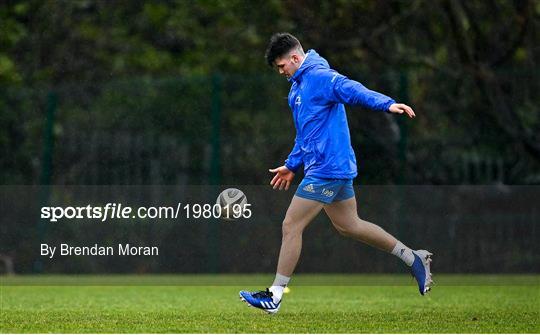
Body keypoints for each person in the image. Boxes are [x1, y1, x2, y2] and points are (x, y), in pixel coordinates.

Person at [239, 33, 432, 314]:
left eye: (282, 66)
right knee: (349, 225)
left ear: (295, 58)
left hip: (327, 169)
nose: (281, 72)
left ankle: (275, 295)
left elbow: (351, 89)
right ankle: (413, 258)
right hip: (330, 168)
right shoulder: (296, 89)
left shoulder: (319, 76)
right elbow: (305, 134)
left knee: (291, 225)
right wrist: (292, 165)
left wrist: (387, 104)